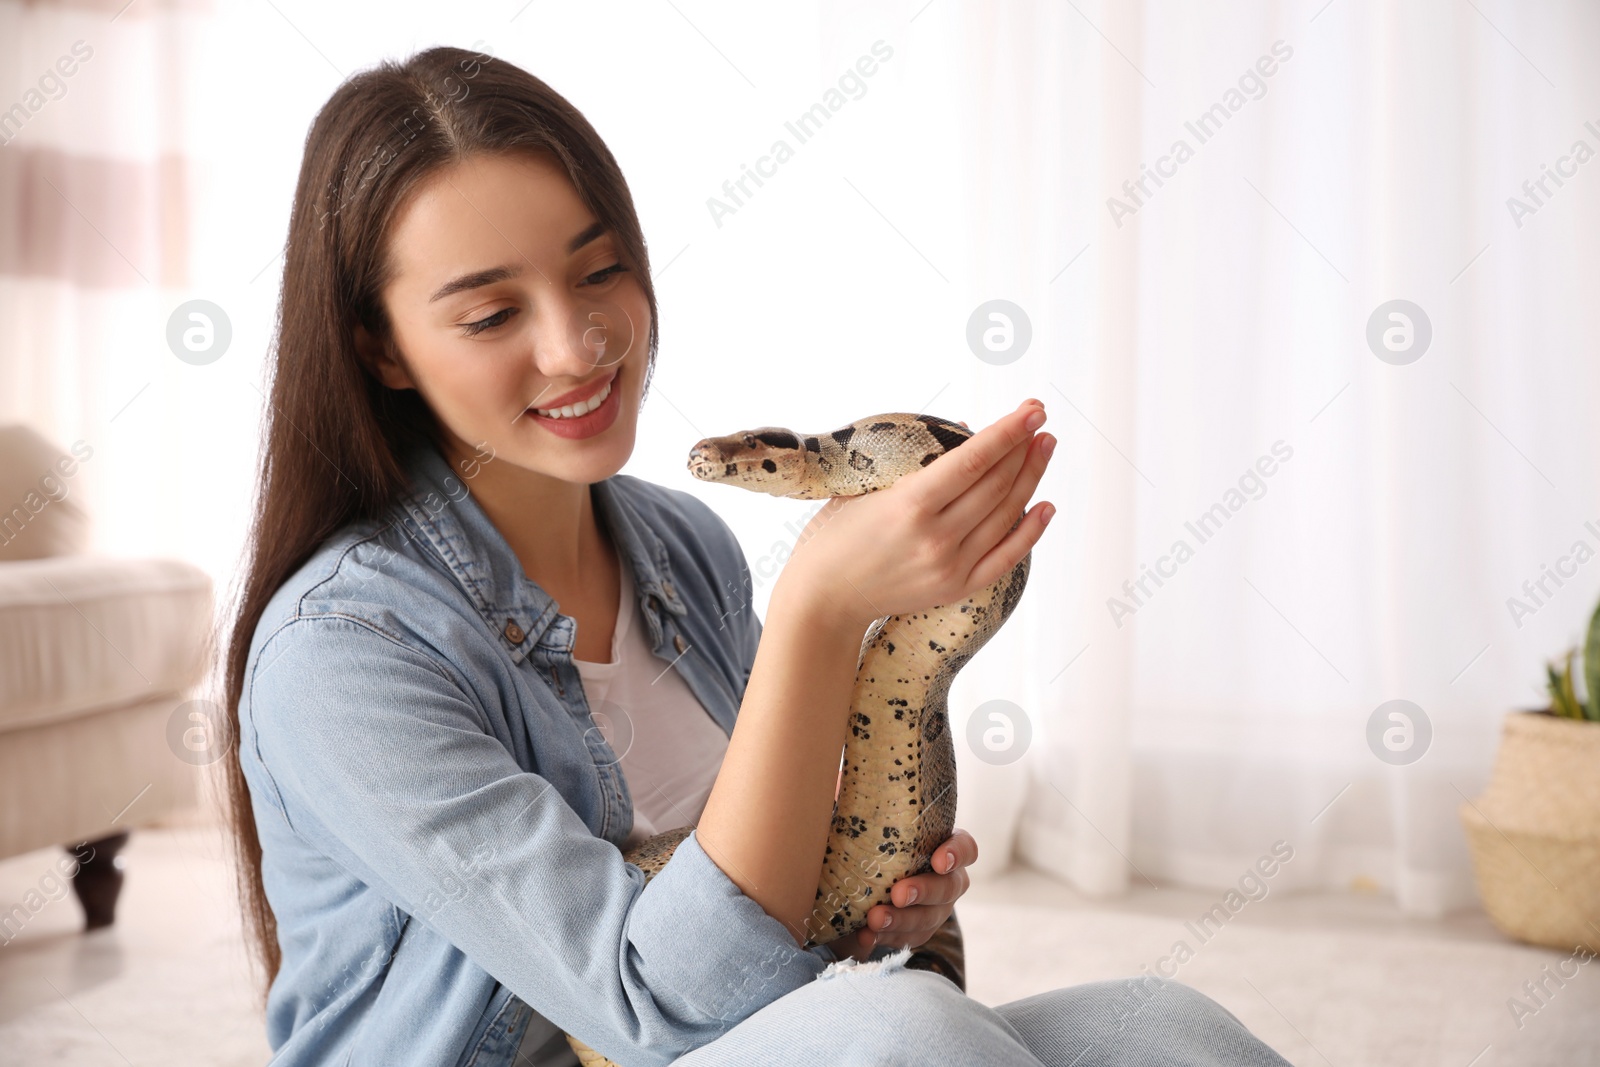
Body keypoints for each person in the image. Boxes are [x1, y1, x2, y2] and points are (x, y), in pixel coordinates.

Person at [219, 45, 1292, 1067]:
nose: (578, 342)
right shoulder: (341, 652)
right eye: (495, 312)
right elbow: (656, 1004)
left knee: (1165, 1030)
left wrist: (869, 908)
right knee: (904, 1034)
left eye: (599, 270)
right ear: (379, 345)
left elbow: (757, 947)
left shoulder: (681, 545)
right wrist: (820, 611)